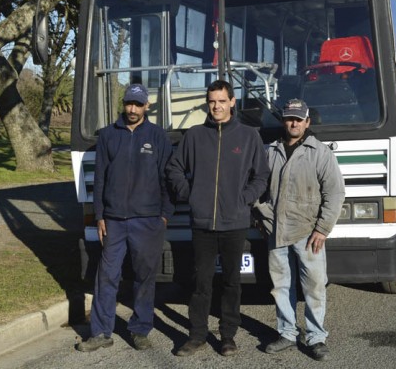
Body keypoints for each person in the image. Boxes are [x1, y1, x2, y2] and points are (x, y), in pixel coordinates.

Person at [166, 80, 270, 357]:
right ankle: (197, 335)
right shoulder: (195, 136)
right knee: (201, 282)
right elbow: (174, 168)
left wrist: (245, 198)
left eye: (222, 101)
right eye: (212, 101)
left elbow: (262, 175)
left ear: (232, 102)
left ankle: (227, 336)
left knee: (231, 282)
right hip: (202, 224)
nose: (217, 106)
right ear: (207, 103)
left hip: (235, 222)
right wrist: (190, 195)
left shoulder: (249, 136)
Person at [76, 83, 174, 353]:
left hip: (148, 221)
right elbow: (100, 179)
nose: (132, 109)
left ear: (146, 106)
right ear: (124, 104)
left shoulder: (157, 136)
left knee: (145, 277)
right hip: (114, 221)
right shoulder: (108, 135)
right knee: (106, 276)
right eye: (129, 103)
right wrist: (99, 216)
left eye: (137, 104)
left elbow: (167, 178)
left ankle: (140, 329)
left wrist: (165, 215)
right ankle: (100, 332)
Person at [255, 98, 345, 362]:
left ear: (307, 122)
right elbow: (255, 184)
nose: (293, 123)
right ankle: (286, 333)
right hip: (276, 231)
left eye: (298, 119)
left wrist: (322, 229)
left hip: (308, 233)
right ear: (283, 121)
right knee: (281, 286)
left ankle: (316, 337)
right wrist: (261, 215)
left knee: (314, 287)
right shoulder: (269, 150)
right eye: (288, 118)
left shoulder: (320, 152)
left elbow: (335, 193)